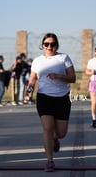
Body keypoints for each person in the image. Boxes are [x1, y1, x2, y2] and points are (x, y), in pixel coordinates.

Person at [27, 33, 76, 172]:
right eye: (46, 44)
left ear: (57, 45)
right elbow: (32, 78)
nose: (49, 47)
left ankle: (55, 138)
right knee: (47, 128)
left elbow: (73, 78)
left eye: (52, 44)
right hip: (44, 97)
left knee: (61, 133)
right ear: (42, 45)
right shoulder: (37, 61)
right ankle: (50, 161)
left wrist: (59, 76)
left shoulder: (63, 58)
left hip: (62, 98)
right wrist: (29, 89)